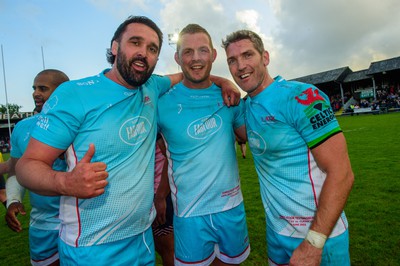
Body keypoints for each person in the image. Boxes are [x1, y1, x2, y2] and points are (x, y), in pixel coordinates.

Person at [15, 16, 240, 265]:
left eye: (152, 48)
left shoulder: (152, 86)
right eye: (135, 42)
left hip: (142, 238)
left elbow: (192, 74)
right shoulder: (75, 94)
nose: (143, 53)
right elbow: (26, 166)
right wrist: (65, 182)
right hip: (91, 247)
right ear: (114, 47)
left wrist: (224, 81)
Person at [222, 30, 354, 265]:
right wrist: (221, 82)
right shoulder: (246, 108)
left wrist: (314, 242)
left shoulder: (302, 96)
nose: (240, 65)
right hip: (277, 234)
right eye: (232, 60)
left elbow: (342, 173)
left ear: (265, 57)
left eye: (247, 55)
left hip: (320, 235)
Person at [157, 24, 250, 265]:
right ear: (177, 57)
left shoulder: (230, 98)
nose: (196, 58)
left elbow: (251, 136)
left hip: (231, 208)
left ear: (214, 55)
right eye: (187, 52)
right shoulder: (161, 103)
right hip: (189, 214)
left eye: (203, 50)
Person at [5, 69, 69, 266]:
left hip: (80, 220)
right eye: (34, 88)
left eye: (43, 88)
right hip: (42, 224)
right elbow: (16, 171)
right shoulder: (23, 127)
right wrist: (13, 200)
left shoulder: (82, 124)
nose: (35, 93)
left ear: (62, 92)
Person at [152, 138, 174, 266]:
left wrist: (160, 196)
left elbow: (169, 155)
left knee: (168, 250)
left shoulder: (155, 124)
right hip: (149, 196)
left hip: (160, 194)